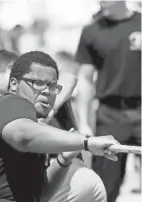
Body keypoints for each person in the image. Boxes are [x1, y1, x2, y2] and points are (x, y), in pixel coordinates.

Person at [0, 51, 120, 202]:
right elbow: (22, 135)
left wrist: (64, 159)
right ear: (14, 84)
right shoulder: (10, 102)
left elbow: (40, 194)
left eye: (52, 87)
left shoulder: (30, 121)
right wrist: (86, 142)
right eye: (37, 83)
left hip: (76, 177)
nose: (46, 90)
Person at [75, 1, 141, 201]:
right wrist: (84, 123)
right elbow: (85, 79)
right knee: (104, 187)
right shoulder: (92, 31)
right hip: (110, 115)